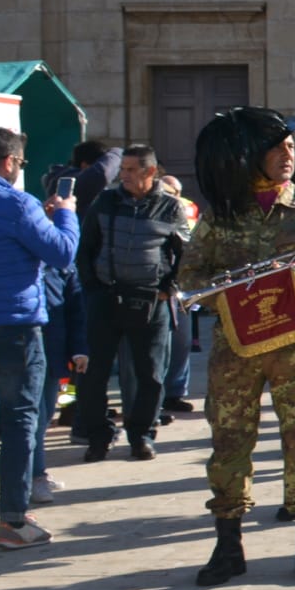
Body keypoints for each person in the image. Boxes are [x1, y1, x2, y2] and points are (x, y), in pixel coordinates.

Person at [180, 107, 295, 585]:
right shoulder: (221, 215)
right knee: (229, 442)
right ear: (250, 157)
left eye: (292, 147)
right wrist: (236, 293)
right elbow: (190, 277)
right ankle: (228, 545)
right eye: (277, 149)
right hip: (236, 349)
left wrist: (290, 286)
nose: (288, 155)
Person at [0, 127, 79, 549]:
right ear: (10, 162)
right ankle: (14, 521)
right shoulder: (19, 204)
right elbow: (62, 253)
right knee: (19, 420)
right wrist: (66, 212)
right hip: (14, 326)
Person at [74, 144, 188, 462]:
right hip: (105, 299)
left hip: (151, 303)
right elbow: (86, 247)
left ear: (150, 172)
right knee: (94, 373)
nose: (123, 175)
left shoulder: (171, 208)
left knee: (150, 374)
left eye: (130, 169)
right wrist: (93, 287)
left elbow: (189, 256)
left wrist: (170, 288)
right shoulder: (106, 201)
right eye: (122, 169)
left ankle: (142, 435)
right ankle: (99, 436)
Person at [34, 260, 87, 505]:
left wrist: (78, 349)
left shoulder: (60, 260)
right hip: (16, 348)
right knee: (30, 420)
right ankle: (34, 476)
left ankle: (36, 472)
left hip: (53, 353)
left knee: (42, 417)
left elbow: (75, 308)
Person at [159, 174, 199, 416]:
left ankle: (175, 392)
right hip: (161, 288)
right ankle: (156, 398)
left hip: (181, 286)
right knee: (160, 346)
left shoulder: (186, 208)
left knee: (181, 342)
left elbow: (189, 245)